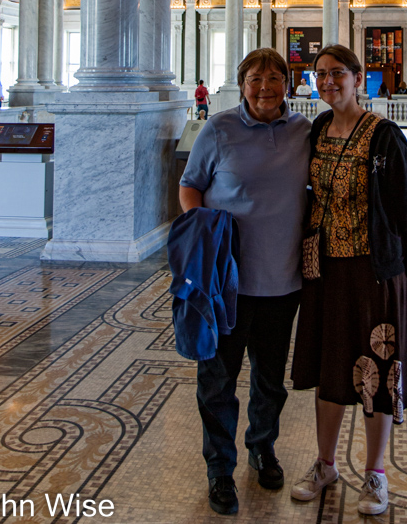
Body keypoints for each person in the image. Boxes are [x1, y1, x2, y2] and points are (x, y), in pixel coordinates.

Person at [291, 44, 407, 516]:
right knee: (331, 365)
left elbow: (402, 208)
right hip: (325, 270)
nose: (328, 82)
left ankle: (375, 474)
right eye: (320, 75)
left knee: (379, 366)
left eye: (337, 75)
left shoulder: (384, 136)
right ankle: (325, 463)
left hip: (374, 271)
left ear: (357, 77)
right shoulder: (317, 129)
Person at [179, 48, 311, 516]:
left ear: (289, 85)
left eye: (275, 78)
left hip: (283, 281)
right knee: (217, 381)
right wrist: (203, 238)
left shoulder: (302, 132)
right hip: (225, 285)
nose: (265, 87)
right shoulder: (219, 129)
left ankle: (262, 447)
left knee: (270, 380)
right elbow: (190, 185)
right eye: (256, 78)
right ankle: (220, 469)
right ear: (242, 85)